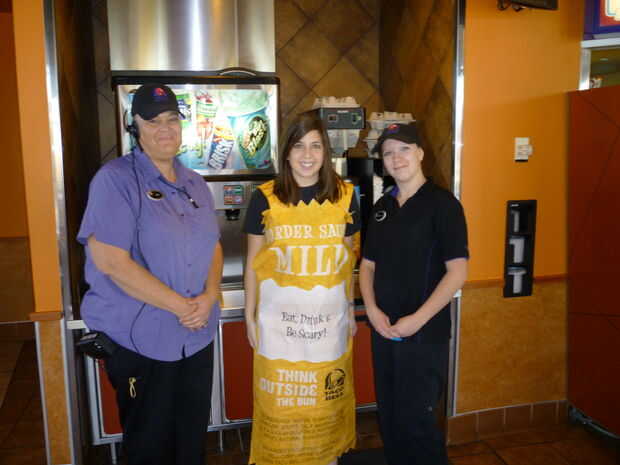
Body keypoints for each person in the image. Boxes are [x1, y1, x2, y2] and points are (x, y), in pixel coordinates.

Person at [77, 83, 223, 465]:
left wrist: (210, 297)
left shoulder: (195, 183)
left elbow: (213, 246)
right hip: (141, 341)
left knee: (190, 442)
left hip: (196, 338)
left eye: (172, 119)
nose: (164, 129)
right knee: (149, 446)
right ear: (134, 126)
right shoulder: (115, 180)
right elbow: (111, 261)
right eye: (152, 121)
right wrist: (182, 306)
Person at [243, 112, 360, 465]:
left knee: (326, 405)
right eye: (298, 146)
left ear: (326, 152)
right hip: (279, 329)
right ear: (286, 153)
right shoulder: (265, 198)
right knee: (282, 408)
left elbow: (348, 259)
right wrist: (249, 316)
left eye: (315, 146)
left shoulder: (346, 197)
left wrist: (351, 309)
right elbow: (253, 262)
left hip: (328, 328)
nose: (307, 155)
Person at [359, 123, 468, 465]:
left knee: (418, 423)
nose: (397, 158)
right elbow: (367, 266)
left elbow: (458, 272)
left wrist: (416, 321)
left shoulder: (443, 205)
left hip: (424, 335)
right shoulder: (382, 206)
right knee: (390, 417)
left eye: (404, 149)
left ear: (420, 153)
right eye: (388, 153)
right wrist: (372, 310)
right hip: (384, 330)